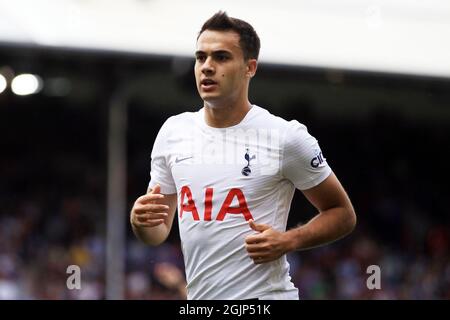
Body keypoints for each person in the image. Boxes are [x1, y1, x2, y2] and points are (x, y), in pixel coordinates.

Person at [130, 11, 356, 300]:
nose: (207, 67)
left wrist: (289, 239)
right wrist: (140, 222)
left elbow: (342, 214)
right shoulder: (173, 132)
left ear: (250, 67)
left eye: (221, 57)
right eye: (201, 57)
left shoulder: (285, 136)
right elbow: (158, 232)